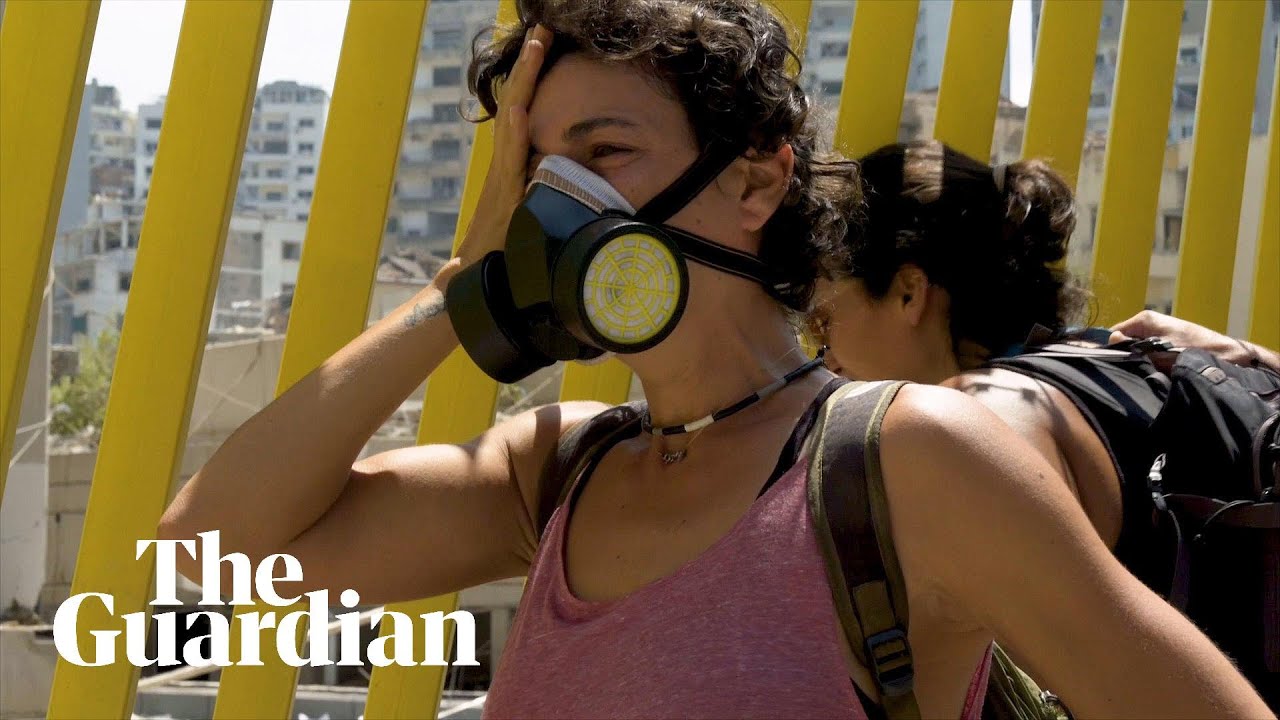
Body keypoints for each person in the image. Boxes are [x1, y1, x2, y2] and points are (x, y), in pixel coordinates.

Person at [160, 4, 1268, 718]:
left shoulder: (909, 462)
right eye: (536, 174)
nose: (562, 206)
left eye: (604, 156)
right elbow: (204, 559)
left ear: (754, 181)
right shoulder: (552, 474)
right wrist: (463, 291)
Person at [808, 138, 1277, 705]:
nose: (819, 354)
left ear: (909, 292)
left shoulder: (982, 423)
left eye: (823, 319)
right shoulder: (1119, 356)